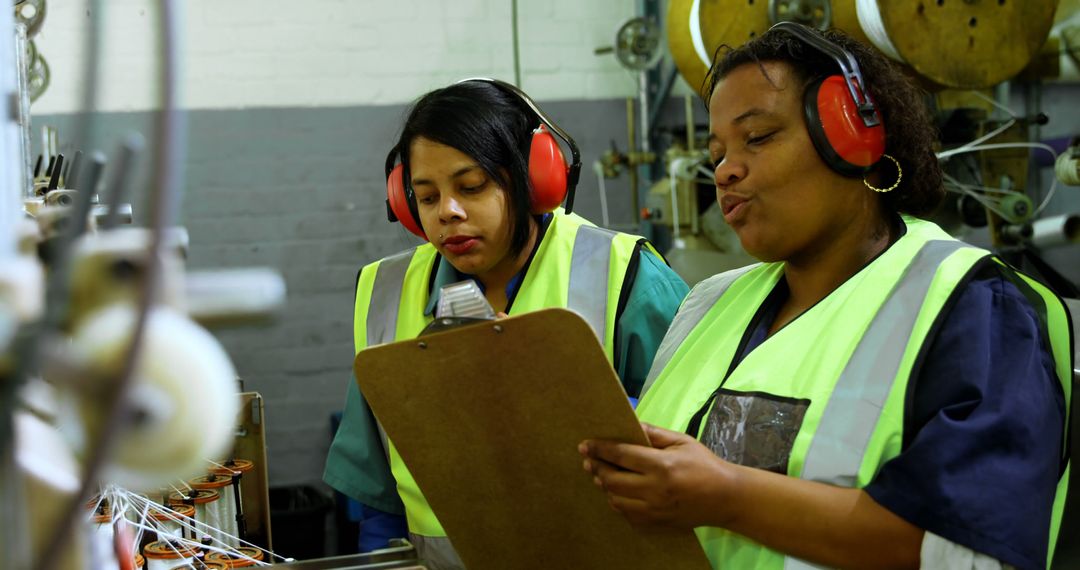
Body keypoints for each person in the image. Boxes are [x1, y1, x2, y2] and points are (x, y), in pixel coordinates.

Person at [579, 22, 1073, 570]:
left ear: (852, 135)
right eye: (715, 154)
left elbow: (971, 550)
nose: (725, 171)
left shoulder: (970, 307)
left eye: (758, 137)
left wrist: (728, 497)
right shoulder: (711, 303)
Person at [324, 78, 690, 568]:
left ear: (532, 179)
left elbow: (694, 441)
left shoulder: (626, 276)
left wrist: (565, 397)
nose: (448, 212)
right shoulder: (385, 293)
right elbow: (377, 492)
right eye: (427, 197)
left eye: (471, 187)